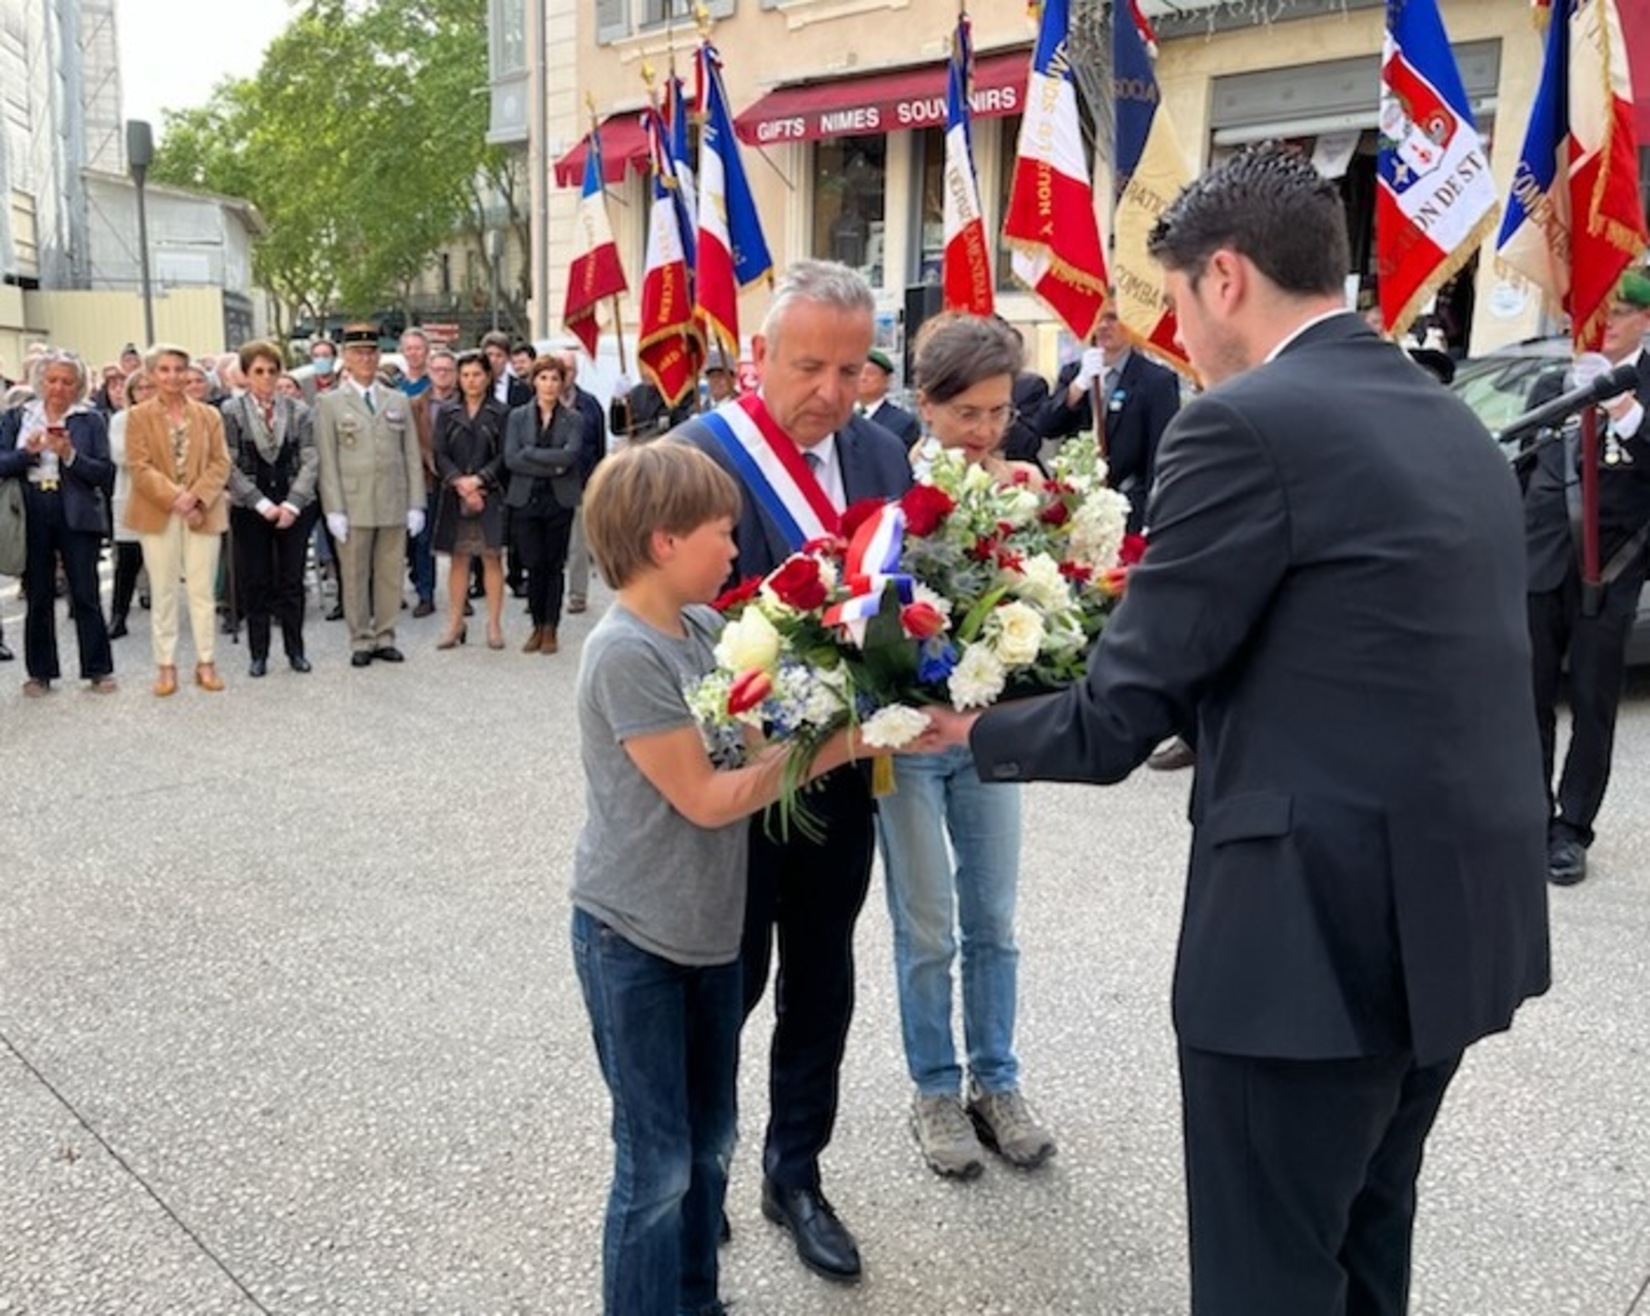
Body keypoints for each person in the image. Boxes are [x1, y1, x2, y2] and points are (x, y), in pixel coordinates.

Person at [919, 144, 1551, 1315]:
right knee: (1366, 1243)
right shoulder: (1447, 413)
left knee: (1268, 1276)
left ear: (1224, 278)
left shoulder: (1245, 422)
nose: (1172, 335)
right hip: (1455, 922)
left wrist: (967, 726)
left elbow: (1122, 716)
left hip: (1309, 947)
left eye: (1169, 300)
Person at [572, 439, 872, 1316]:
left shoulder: (703, 631)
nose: (736, 552)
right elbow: (706, 797)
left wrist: (850, 705)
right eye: (722, 534)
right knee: (656, 1161)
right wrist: (843, 748)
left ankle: (695, 1302)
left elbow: (755, 743)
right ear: (664, 541)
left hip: (706, 930)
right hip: (634, 935)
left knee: (710, 1144)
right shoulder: (626, 653)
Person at [676, 259, 913, 1284]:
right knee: (726, 982)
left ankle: (796, 1170)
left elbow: (906, 593)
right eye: (809, 364)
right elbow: (666, 619)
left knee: (822, 977)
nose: (831, 389)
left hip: (845, 774)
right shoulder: (696, 457)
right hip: (734, 781)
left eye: (852, 368)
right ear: (759, 355)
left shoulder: (882, 452)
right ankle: (700, 1170)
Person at [878, 314, 1056, 1181]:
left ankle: (998, 1080)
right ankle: (935, 1090)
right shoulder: (889, 486)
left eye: (999, 411)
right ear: (926, 405)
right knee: (926, 926)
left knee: (994, 918)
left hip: (991, 736)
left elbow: (1053, 609)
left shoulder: (1023, 489)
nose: (987, 429)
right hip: (907, 738)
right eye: (969, 413)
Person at [1525, 270, 1650, 886]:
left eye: (1619, 314)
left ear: (1646, 320)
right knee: (1528, 700)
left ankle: (1570, 830)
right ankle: (1528, 813)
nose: (1605, 326)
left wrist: (1624, 410)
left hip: (1611, 572)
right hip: (1540, 566)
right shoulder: (1556, 384)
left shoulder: (1643, 389)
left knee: (1594, 706)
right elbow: (1521, 470)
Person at [0, 350, 116, 695]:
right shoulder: (18, 415)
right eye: (52, 380)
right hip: (32, 505)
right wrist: (28, 454)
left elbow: (105, 474)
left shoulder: (89, 419)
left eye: (67, 381)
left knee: (85, 591)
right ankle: (40, 673)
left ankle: (98, 669)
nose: (58, 388)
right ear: (40, 381)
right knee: (38, 593)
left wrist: (70, 455)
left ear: (78, 385)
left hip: (76, 509)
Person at [124, 342, 232, 696]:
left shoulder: (209, 415)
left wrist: (196, 496)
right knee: (164, 590)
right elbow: (138, 467)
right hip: (159, 512)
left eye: (179, 369)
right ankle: (166, 665)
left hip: (203, 509)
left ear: (189, 373)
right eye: (164, 369)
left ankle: (206, 662)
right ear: (152, 374)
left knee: (202, 591)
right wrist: (177, 498)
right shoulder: (138, 416)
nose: (173, 376)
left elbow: (221, 463)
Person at [315, 322, 425, 668]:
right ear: (345, 358)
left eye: (371, 352)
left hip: (393, 499)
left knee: (391, 572)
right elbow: (327, 459)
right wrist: (333, 509)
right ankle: (361, 638)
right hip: (353, 501)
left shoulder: (397, 399)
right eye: (358, 352)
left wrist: (416, 503)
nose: (366, 358)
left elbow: (411, 455)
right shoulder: (330, 402)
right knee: (355, 574)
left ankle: (385, 635)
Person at [1032, 303, 1181, 534]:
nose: (1102, 326)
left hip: (1130, 504)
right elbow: (1046, 426)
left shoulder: (1156, 380)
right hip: (1079, 505)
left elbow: (1160, 452)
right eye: (1097, 318)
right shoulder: (1074, 373)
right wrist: (1077, 388)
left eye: (1112, 318)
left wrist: (1153, 514)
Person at [221, 339, 320, 677]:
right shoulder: (231, 412)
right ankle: (258, 653)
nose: (266, 378)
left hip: (294, 504)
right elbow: (228, 464)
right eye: (258, 371)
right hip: (251, 507)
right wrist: (259, 502)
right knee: (256, 581)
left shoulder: (299, 411)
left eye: (272, 371)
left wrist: (292, 504)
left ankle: (296, 650)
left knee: (292, 580)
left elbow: (310, 460)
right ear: (246, 374)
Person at [504, 355, 585, 654]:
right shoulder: (517, 417)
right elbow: (512, 458)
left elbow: (570, 456)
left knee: (554, 565)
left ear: (562, 383)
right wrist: (551, 463)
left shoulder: (574, 418)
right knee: (533, 564)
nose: (549, 385)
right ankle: (536, 625)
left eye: (555, 379)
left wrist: (532, 454)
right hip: (526, 499)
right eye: (543, 378)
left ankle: (551, 627)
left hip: (559, 500)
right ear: (534, 381)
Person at [431, 350, 509, 650]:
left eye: (477, 374)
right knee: (459, 558)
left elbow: (505, 455)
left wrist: (480, 480)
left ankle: (493, 624)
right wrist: (459, 482)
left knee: (491, 557)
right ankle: (455, 623)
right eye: (465, 375)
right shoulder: (448, 412)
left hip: (490, 493)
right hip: (455, 494)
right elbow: (439, 454)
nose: (471, 380)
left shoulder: (502, 413)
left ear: (488, 377)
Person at [409, 345, 460, 619]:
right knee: (424, 541)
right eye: (437, 369)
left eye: (447, 370)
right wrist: (431, 462)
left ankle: (460, 595)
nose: (442, 375)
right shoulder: (415, 405)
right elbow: (411, 442)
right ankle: (425, 595)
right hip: (427, 481)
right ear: (429, 372)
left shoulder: (467, 402)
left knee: (459, 542)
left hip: (458, 482)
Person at [108, 368, 157, 639]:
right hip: (131, 495)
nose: (146, 393)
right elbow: (122, 455)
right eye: (140, 388)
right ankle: (118, 615)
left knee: (163, 558)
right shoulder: (121, 420)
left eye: (151, 387)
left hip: (164, 496)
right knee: (128, 558)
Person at [558, 350, 606, 616]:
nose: (566, 374)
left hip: (580, 482)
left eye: (570, 369)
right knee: (552, 544)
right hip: (549, 484)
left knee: (578, 545)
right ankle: (547, 594)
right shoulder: (542, 401)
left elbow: (599, 446)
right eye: (561, 368)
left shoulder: (590, 405)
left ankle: (577, 595)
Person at [856, 346, 920, 446]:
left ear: (887, 381)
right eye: (857, 372)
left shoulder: (902, 422)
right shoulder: (841, 417)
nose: (862, 378)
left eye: (870, 373)